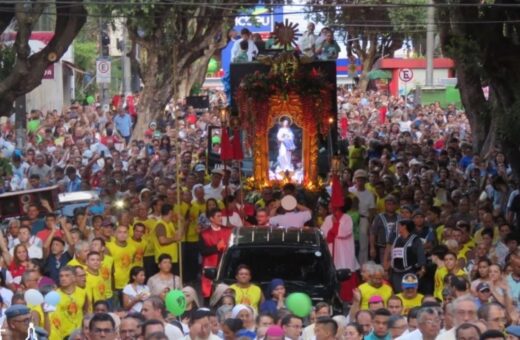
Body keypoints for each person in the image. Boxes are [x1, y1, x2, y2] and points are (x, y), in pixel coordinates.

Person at [199, 208, 232, 298]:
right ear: (211, 218)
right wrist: (216, 247)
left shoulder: (228, 231)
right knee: (208, 292)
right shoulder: (204, 234)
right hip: (210, 266)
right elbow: (203, 252)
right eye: (218, 216)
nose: (221, 218)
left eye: (221, 216)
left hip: (226, 265)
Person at [49, 266, 89, 340]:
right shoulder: (54, 295)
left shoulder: (83, 293)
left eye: (67, 275)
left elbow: (86, 312)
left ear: (74, 278)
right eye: (61, 276)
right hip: (63, 335)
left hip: (80, 334)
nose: (63, 278)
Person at [388, 220, 426, 292]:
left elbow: (421, 254)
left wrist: (423, 269)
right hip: (396, 272)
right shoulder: (397, 239)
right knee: (398, 292)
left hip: (409, 270)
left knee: (409, 291)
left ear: (404, 227)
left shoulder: (415, 239)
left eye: (399, 226)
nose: (397, 228)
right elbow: (393, 254)